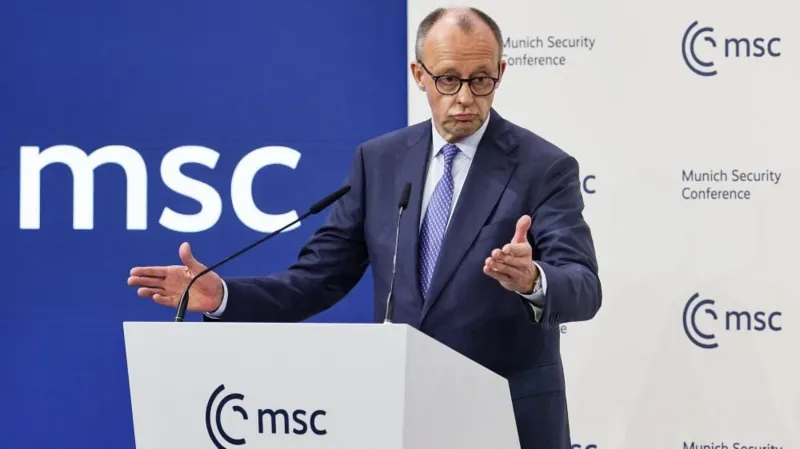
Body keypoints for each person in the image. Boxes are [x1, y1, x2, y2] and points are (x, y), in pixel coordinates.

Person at [128, 6, 601, 449]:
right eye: (448, 79)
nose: (464, 98)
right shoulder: (379, 162)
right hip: (400, 413)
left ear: (500, 74)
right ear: (419, 76)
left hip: (505, 419)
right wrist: (224, 296)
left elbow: (583, 286)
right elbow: (316, 280)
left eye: (480, 80)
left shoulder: (544, 167)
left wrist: (534, 280)